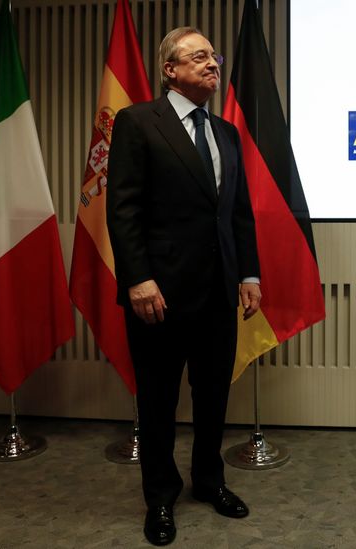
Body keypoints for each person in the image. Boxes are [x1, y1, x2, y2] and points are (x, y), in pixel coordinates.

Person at [106, 26, 261, 547]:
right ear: (169, 70)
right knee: (158, 400)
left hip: (217, 291)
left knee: (214, 395)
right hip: (159, 295)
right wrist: (138, 279)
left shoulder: (226, 134)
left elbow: (237, 213)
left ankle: (210, 481)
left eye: (214, 57)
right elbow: (122, 207)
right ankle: (160, 497)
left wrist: (249, 272)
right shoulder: (137, 122)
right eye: (198, 57)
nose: (212, 64)